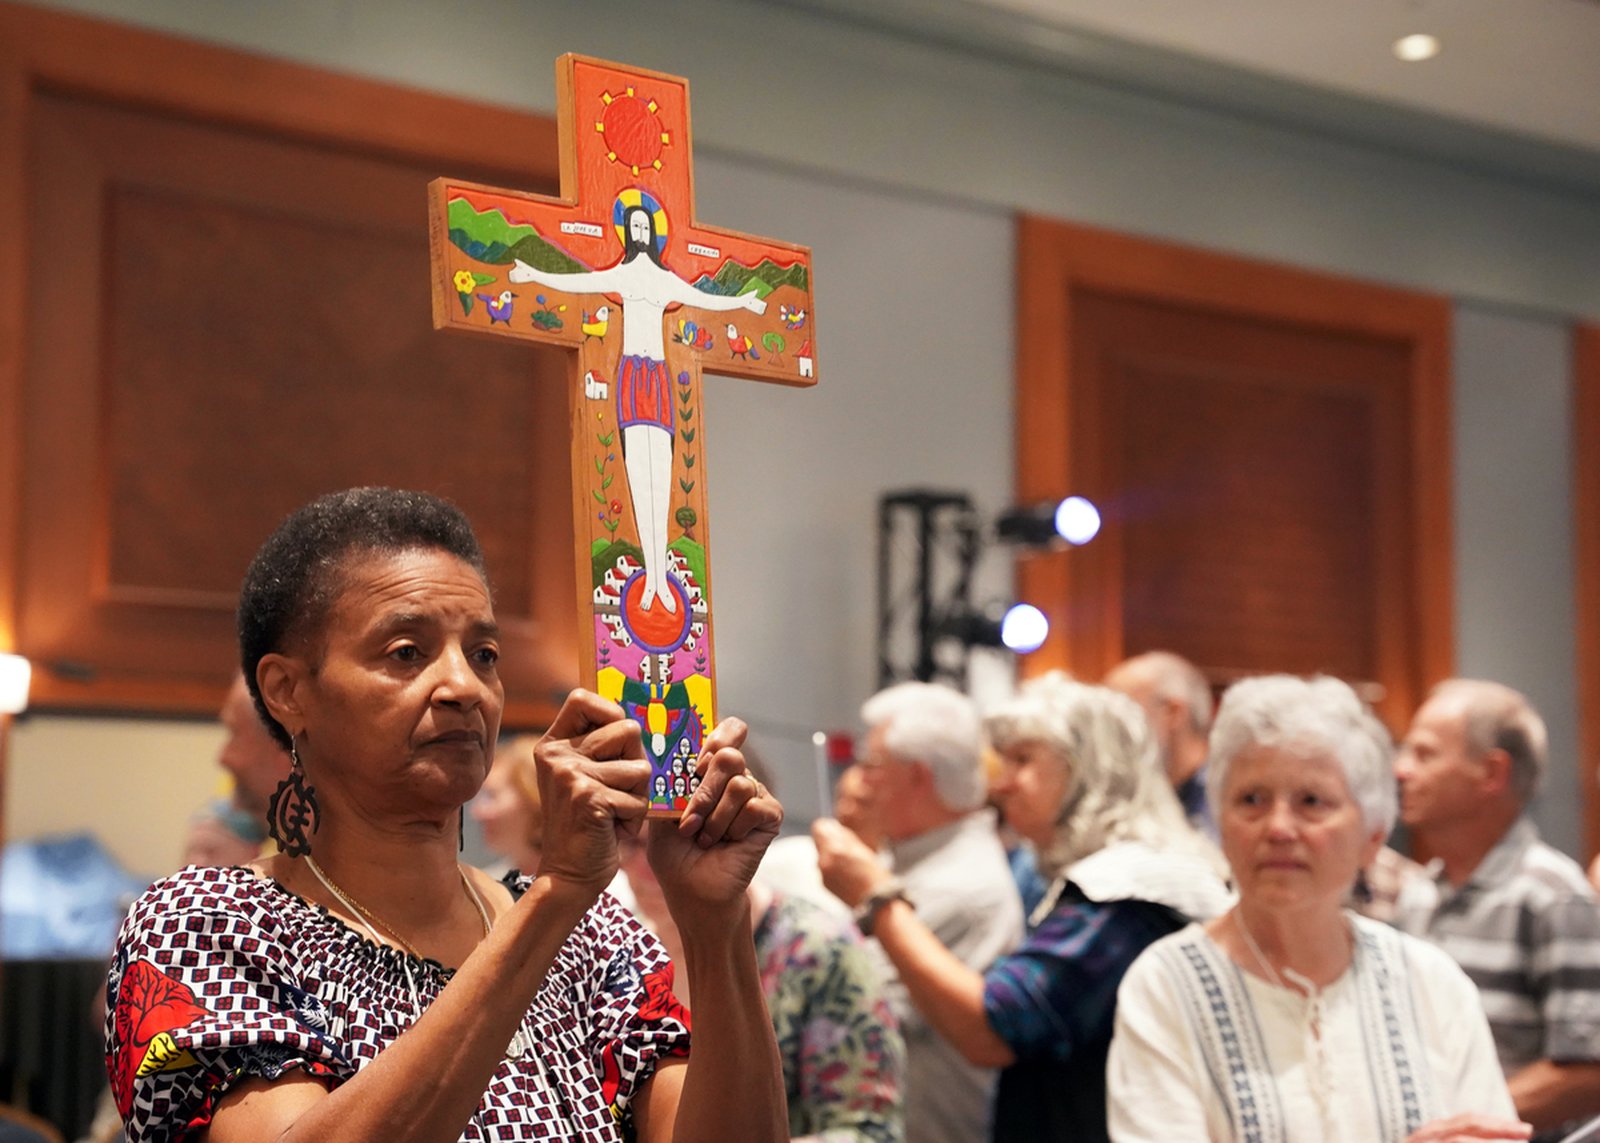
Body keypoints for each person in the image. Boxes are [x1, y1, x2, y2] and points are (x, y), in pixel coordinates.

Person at [105, 487, 787, 1143]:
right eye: (407, 652)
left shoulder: (596, 940)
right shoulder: (207, 925)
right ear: (288, 691)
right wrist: (554, 899)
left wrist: (713, 922)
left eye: (484, 654)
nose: (464, 686)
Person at [1108, 674, 1530, 1142]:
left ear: (1372, 838)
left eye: (1311, 801)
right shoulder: (1166, 985)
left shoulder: (1431, 982)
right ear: (1221, 827)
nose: (1279, 827)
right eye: (1251, 800)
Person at [817, 674, 1230, 1142]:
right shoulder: (1098, 875)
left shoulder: (1128, 893)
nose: (1003, 783)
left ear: (1088, 770)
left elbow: (992, 1029)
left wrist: (880, 900)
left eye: (1023, 760)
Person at [509, 196, 765, 616]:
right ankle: (649, 574)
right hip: (631, 377)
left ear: (655, 235)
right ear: (627, 233)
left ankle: (661, 578)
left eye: (648, 229)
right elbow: (579, 282)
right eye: (636, 228)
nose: (642, 234)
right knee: (636, 471)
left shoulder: (664, 281)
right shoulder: (622, 274)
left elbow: (704, 298)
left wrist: (744, 303)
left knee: (661, 473)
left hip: (660, 378)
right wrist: (533, 273)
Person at [813, 682, 1023, 1143]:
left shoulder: (963, 887)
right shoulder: (915, 856)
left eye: (872, 766)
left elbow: (842, 1007)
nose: (859, 781)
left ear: (917, 778)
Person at [1394, 679, 1600, 1137]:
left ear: (1491, 773)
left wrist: (1462, 1122)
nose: (1401, 770)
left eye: (1424, 754)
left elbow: (1589, 1072)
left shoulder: (1553, 895)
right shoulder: (1418, 894)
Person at [618, 835, 905, 1143]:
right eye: (631, 843)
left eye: (672, 844)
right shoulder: (625, 959)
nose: (648, 868)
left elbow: (869, 1133)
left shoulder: (820, 950)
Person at [1103, 650, 1216, 838]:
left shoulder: (1229, 794)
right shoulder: (1122, 797)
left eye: (1122, 715)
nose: (1108, 732)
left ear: (1172, 713)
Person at [469, 733, 543, 879]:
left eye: (491, 796)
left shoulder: (594, 889)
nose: (477, 812)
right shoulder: (485, 888)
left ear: (535, 797)